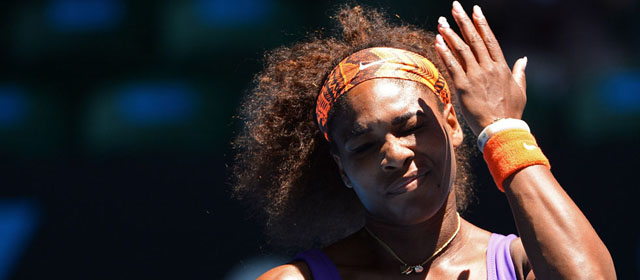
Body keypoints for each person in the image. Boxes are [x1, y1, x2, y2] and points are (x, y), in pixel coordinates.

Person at [232, 2, 616, 279]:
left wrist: (503, 129)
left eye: (411, 126)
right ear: (342, 169)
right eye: (363, 146)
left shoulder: (520, 265)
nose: (394, 154)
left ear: (453, 124)